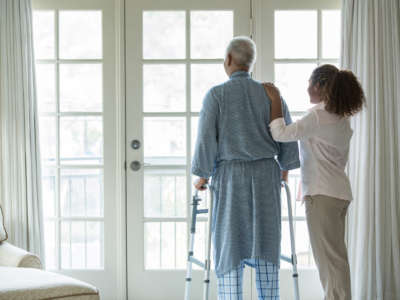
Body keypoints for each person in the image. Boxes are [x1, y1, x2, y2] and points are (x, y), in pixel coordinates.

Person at [191, 36, 300, 300]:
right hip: (266, 176)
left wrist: (202, 175)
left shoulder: (216, 95)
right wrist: (284, 168)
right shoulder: (270, 94)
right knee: (266, 240)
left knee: (230, 243)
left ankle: (230, 295)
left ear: (228, 60)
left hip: (231, 178)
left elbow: (207, 139)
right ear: (251, 63)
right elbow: (286, 136)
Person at [264, 64, 365, 300]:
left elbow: (281, 134)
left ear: (321, 86)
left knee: (329, 263)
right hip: (337, 194)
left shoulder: (318, 116)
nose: (307, 87)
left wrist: (275, 99)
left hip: (322, 195)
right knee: (335, 260)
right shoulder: (341, 117)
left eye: (310, 82)